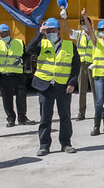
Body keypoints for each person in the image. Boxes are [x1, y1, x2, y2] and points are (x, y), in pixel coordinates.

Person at [26, 17, 81, 156]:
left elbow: (75, 66)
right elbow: (29, 49)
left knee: (65, 116)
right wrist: (40, 33)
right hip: (45, 87)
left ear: (58, 31)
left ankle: (66, 143)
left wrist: (72, 82)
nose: (50, 32)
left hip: (63, 87)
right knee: (45, 117)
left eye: (52, 30)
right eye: (48, 30)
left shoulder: (70, 46)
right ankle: (44, 145)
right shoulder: (42, 44)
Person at [80, 9, 104, 136]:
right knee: (99, 100)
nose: (103, 32)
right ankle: (96, 126)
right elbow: (90, 31)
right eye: (101, 30)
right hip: (99, 75)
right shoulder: (96, 42)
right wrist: (85, 17)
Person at [0, 24, 35, 127]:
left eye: (4, 33)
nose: (3, 35)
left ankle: (22, 118)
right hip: (4, 75)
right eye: (0, 34)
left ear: (9, 33)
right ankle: (10, 119)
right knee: (7, 98)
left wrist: (21, 60)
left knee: (21, 97)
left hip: (18, 75)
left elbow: (26, 55)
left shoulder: (19, 42)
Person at [74, 15, 96, 121]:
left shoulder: (95, 34)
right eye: (82, 24)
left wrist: (84, 15)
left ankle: (99, 110)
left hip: (93, 65)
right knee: (82, 90)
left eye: (86, 23)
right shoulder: (79, 34)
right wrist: (64, 18)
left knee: (96, 89)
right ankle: (81, 113)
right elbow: (68, 30)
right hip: (82, 65)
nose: (84, 26)